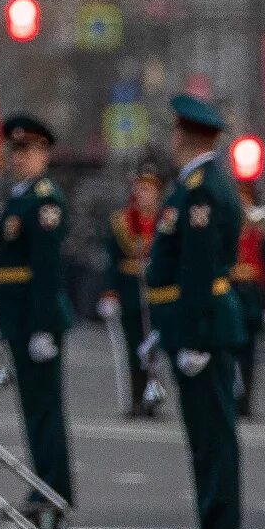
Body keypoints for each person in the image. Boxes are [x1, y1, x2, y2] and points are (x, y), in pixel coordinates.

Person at [145, 93, 245, 529]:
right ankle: (212, 528)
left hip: (205, 326)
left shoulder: (203, 188)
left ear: (184, 136)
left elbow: (200, 269)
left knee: (212, 436)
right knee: (204, 435)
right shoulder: (194, 184)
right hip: (192, 323)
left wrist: (196, 337)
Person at [0, 112, 72, 529]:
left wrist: (41, 327)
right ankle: (42, 486)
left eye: (28, 151)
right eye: (15, 150)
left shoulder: (45, 201)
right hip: (18, 316)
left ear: (45, 154)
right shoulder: (20, 198)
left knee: (45, 410)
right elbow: (4, 266)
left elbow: (45, 269)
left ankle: (54, 489)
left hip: (37, 318)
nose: (19, 158)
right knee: (33, 410)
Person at [108, 164, 162, 419]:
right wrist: (110, 292)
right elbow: (112, 261)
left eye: (149, 190)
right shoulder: (123, 222)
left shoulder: (164, 220)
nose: (144, 195)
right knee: (133, 347)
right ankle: (137, 397)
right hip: (131, 289)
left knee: (155, 348)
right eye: (140, 189)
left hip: (158, 292)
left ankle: (154, 394)